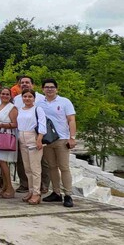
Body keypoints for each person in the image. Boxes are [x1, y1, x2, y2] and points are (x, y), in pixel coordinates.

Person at [38, 78, 77, 208]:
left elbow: (71, 120)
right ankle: (56, 192)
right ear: (42, 89)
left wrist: (72, 137)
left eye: (52, 87)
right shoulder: (39, 103)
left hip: (62, 139)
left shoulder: (65, 102)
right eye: (47, 87)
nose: (49, 89)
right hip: (48, 140)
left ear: (56, 89)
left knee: (64, 167)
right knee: (52, 167)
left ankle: (68, 194)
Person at [17, 89, 47, 205]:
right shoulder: (21, 109)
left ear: (34, 98)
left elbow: (42, 124)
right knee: (27, 168)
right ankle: (30, 190)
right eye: (25, 96)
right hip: (22, 138)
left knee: (35, 168)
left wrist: (39, 139)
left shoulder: (37, 109)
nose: (27, 98)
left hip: (33, 137)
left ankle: (36, 192)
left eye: (30, 96)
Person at [0, 87, 18, 198]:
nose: (5, 96)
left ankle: (10, 187)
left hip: (5, 136)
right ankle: (5, 186)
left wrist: (1, 125)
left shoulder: (12, 108)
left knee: (3, 162)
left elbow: (15, 124)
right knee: (1, 163)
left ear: (10, 95)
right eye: (3, 94)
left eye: (7, 94)